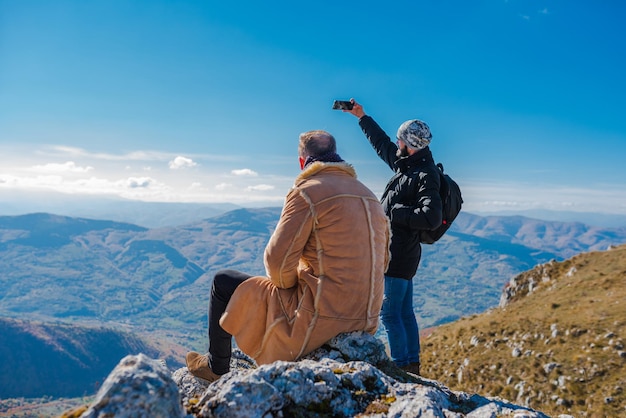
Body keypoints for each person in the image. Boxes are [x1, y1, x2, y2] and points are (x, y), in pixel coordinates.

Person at [186, 129, 390, 382]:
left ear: (302, 161)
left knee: (222, 281)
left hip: (322, 318)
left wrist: (290, 285)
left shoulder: (307, 191)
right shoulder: (370, 196)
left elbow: (277, 262)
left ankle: (216, 368)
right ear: (336, 156)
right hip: (366, 320)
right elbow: (383, 262)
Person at [342, 99, 443, 376]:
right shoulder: (408, 166)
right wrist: (361, 117)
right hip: (401, 252)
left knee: (390, 314)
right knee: (404, 312)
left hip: (399, 254)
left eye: (400, 140)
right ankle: (411, 365)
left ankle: (402, 368)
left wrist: (394, 212)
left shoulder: (424, 174)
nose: (396, 144)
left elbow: (431, 217)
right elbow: (381, 145)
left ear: (410, 144)